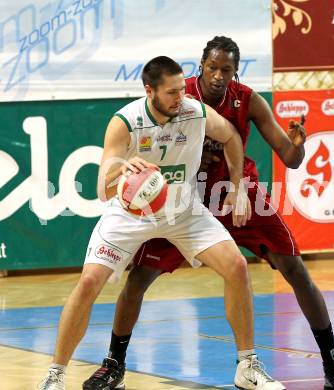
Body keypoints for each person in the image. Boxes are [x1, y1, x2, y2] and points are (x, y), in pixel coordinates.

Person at [83, 37, 334, 390]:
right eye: (213, 68)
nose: (218, 76)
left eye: (226, 70)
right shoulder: (177, 95)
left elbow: (287, 157)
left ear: (235, 71)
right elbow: (150, 142)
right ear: (201, 65)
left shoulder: (248, 100)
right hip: (181, 197)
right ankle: (114, 365)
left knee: (294, 266)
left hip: (236, 194)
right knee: (139, 278)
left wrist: (297, 146)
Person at [38, 55, 287, 390]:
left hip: (183, 211)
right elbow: (101, 189)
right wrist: (120, 171)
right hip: (130, 214)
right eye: (171, 92)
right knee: (87, 284)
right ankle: (56, 375)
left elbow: (230, 136)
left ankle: (247, 366)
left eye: (181, 89)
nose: (179, 97)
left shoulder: (194, 112)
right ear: (149, 91)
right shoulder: (126, 121)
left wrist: (238, 186)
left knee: (237, 267)